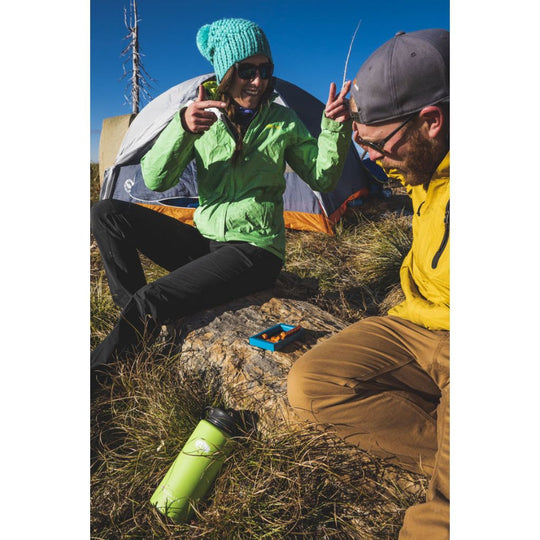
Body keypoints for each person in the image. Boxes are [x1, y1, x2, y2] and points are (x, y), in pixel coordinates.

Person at [90, 18, 352, 378]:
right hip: (207, 239)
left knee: (154, 299)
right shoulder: (202, 116)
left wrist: (335, 128)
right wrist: (180, 129)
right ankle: (135, 325)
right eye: (247, 70)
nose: (258, 81)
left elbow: (322, 175)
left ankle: (98, 379)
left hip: (255, 250)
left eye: (265, 70)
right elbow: (156, 178)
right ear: (227, 73)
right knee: (106, 213)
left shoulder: (283, 121)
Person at [287, 29, 450, 539]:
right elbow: (334, 168)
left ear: (431, 121)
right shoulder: (424, 167)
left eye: (378, 145)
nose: (373, 159)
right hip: (415, 323)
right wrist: (348, 128)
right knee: (312, 386)